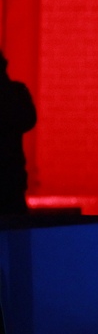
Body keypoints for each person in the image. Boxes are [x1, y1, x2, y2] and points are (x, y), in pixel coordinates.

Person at [0, 51, 37, 215]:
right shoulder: (16, 92)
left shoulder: (15, 92)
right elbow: (28, 120)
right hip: (12, 175)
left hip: (11, 176)